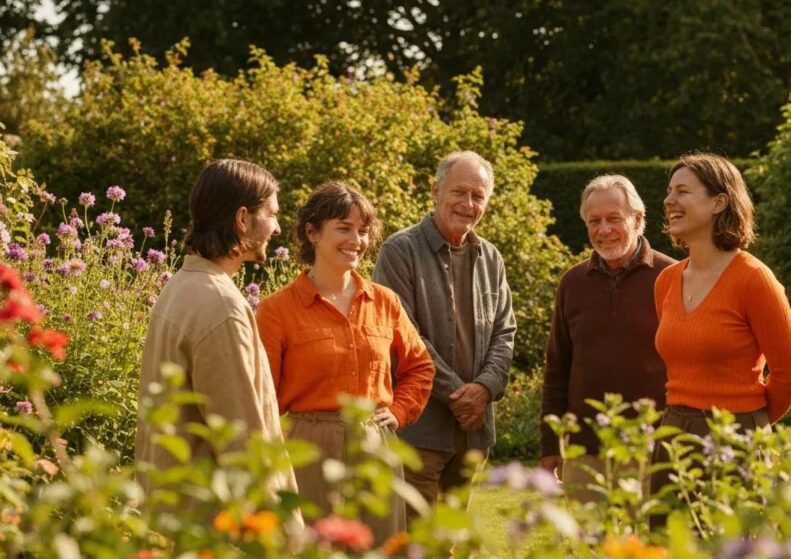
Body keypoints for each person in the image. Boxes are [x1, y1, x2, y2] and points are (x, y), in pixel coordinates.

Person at [256, 181, 435, 537]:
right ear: (312, 232)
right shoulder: (276, 310)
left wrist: (398, 411)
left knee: (378, 545)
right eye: (344, 228)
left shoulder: (384, 302)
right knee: (313, 546)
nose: (356, 240)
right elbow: (262, 395)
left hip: (375, 445)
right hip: (307, 449)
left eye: (363, 231)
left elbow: (420, 367)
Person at [135, 159, 298, 501]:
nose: (278, 228)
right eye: (272, 214)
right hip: (210, 528)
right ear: (242, 219)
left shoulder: (179, 286)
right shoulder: (221, 304)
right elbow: (244, 443)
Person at [650, 153, 791, 506]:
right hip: (673, 434)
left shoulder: (754, 279)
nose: (669, 200)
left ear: (719, 201)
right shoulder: (666, 282)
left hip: (734, 439)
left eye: (683, 191)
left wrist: (747, 423)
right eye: (669, 191)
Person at [372, 150, 516, 514]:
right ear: (435, 191)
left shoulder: (491, 258)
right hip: (419, 432)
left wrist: (484, 389)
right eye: (459, 192)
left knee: (450, 543)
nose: (468, 204)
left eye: (478, 196)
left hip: (473, 434)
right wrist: (458, 395)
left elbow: (504, 331)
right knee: (412, 545)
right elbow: (402, 336)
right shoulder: (399, 251)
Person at [540, 174, 675, 501]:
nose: (603, 230)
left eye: (614, 219)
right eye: (594, 221)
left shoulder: (672, 278)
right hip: (586, 453)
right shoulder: (572, 283)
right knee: (588, 550)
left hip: (655, 450)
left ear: (638, 219)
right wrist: (549, 446)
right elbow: (558, 369)